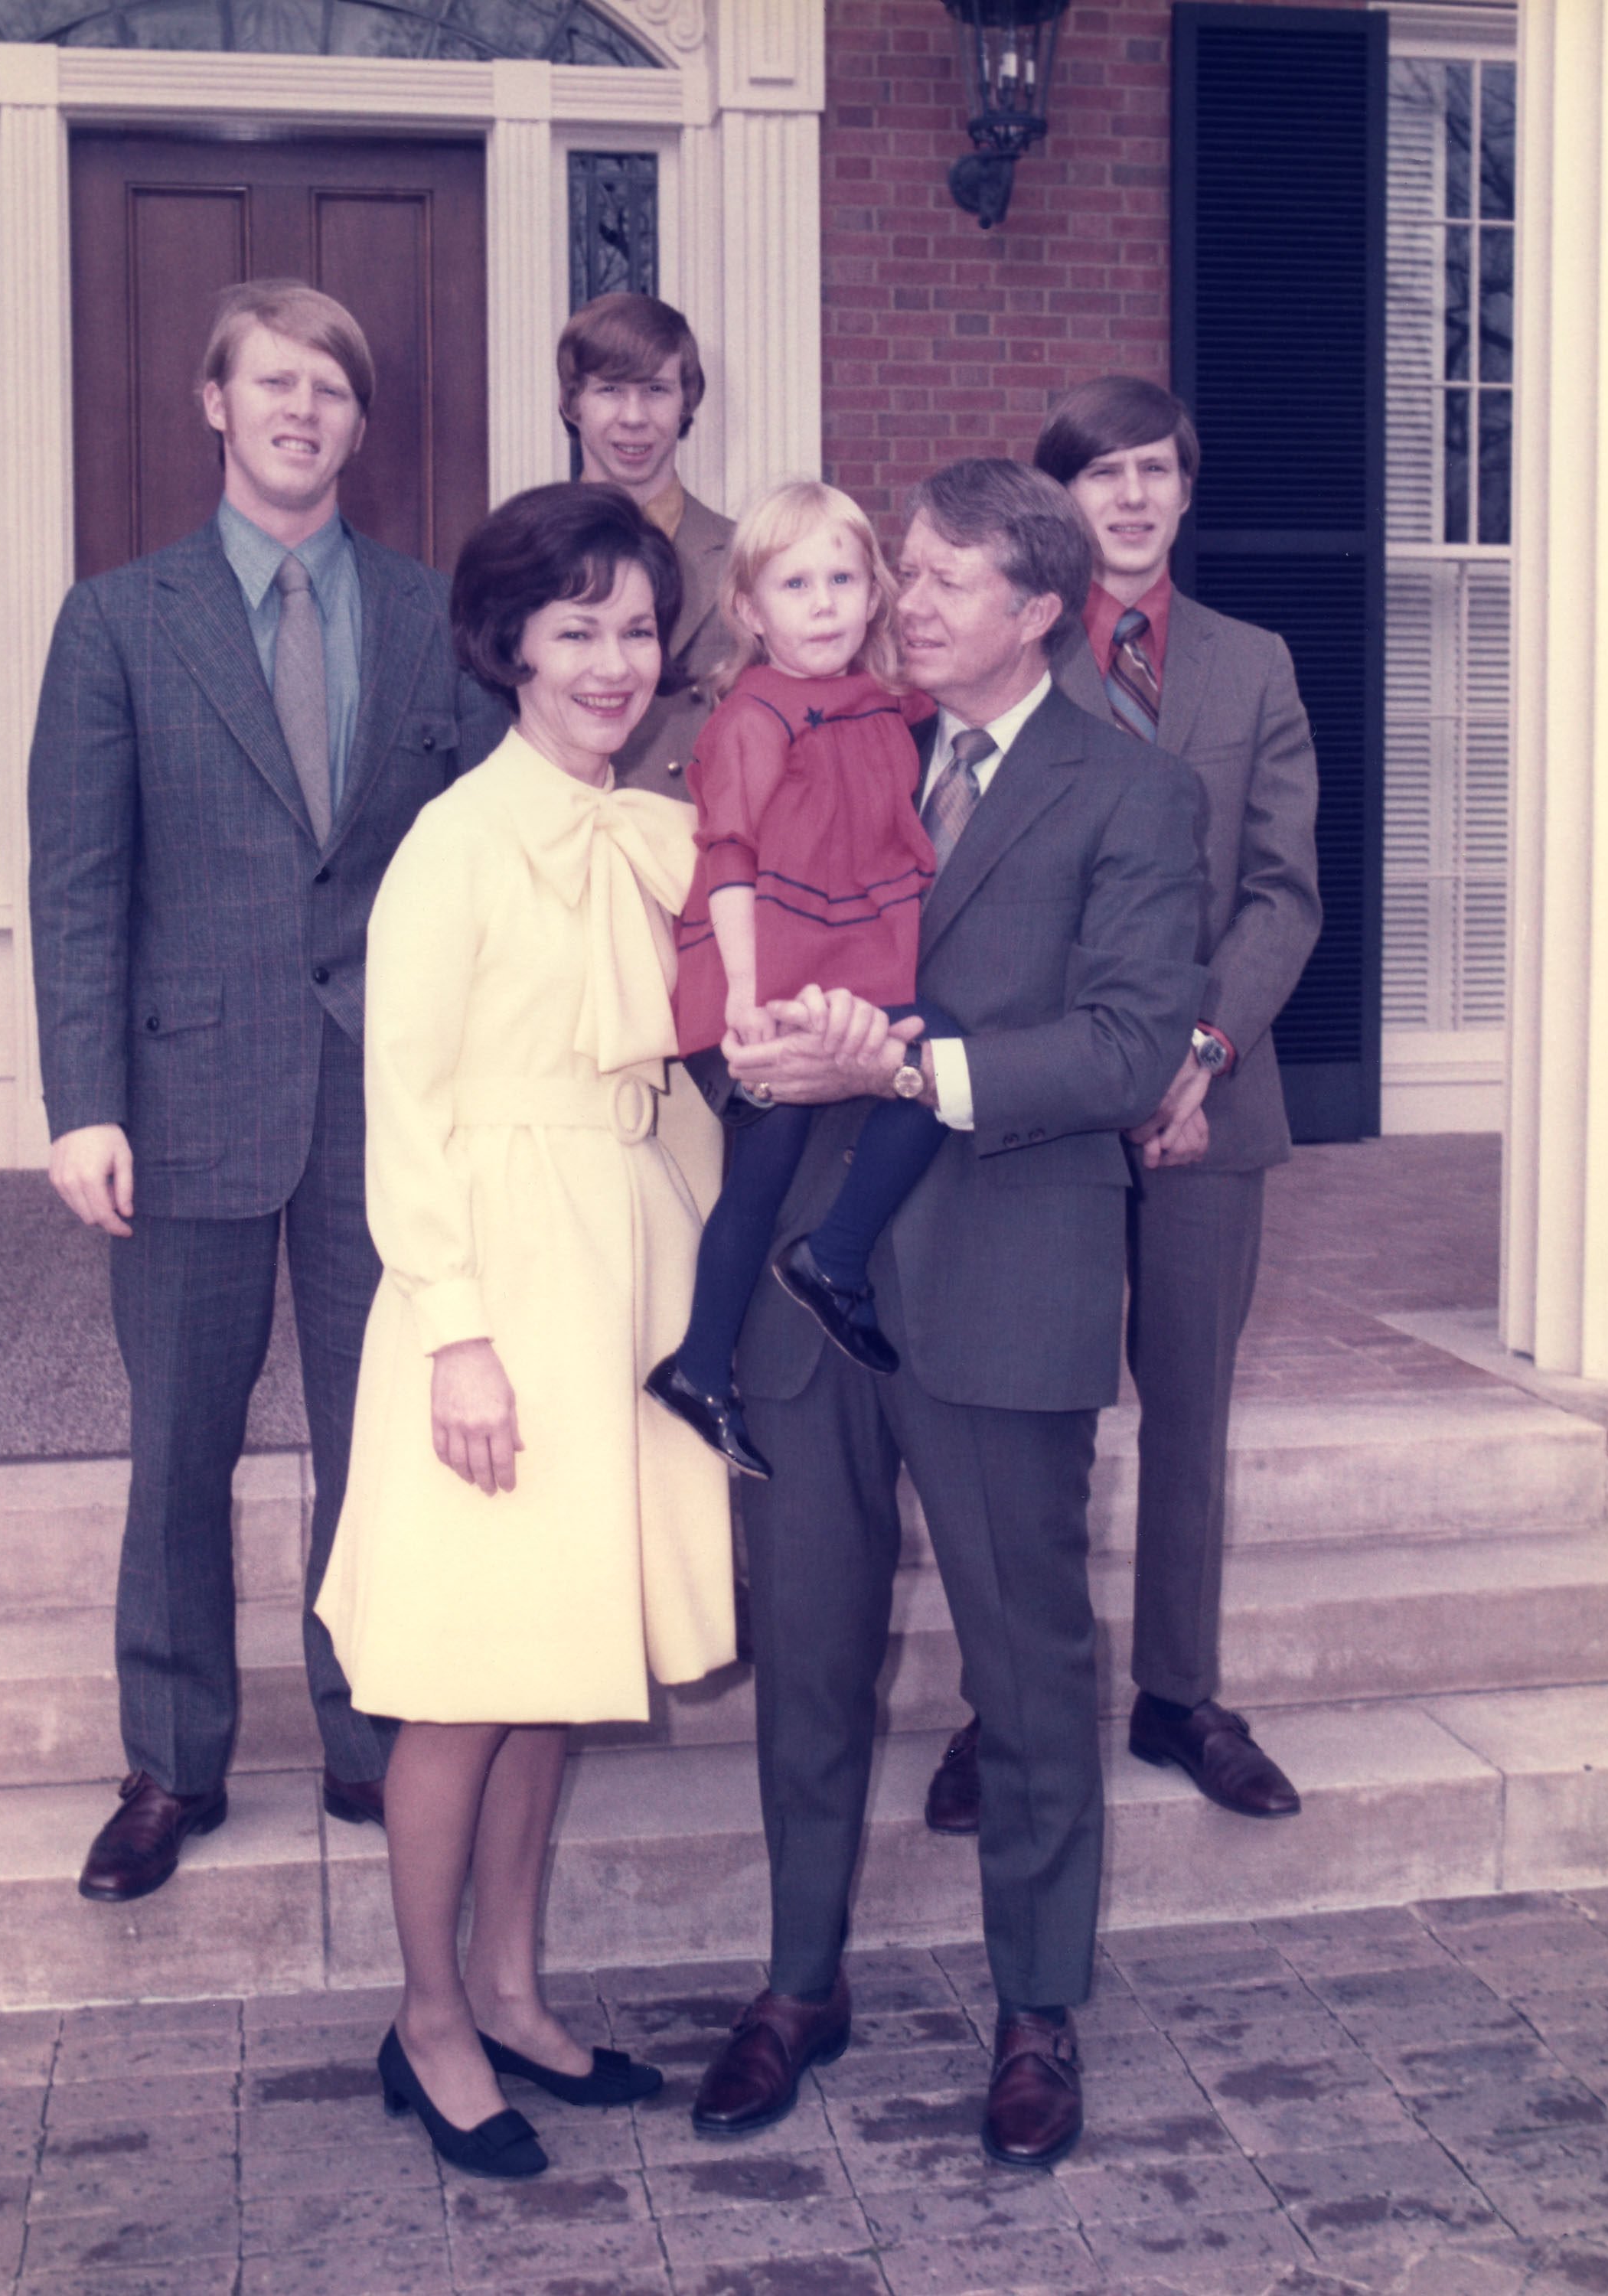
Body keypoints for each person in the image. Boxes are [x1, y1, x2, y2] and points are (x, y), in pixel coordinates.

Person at [691, 459, 1206, 2170]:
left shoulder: (1133, 792)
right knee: (810, 1658)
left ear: (1040, 609)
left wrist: (917, 1061)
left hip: (1005, 1282)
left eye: (944, 582)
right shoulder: (850, 731)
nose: (905, 604)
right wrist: (758, 1043)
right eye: (901, 573)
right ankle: (798, 1984)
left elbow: (1133, 1044)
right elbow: (759, 913)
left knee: (1032, 1669)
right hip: (808, 1287)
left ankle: (1038, 2010)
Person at [28, 280, 504, 1906]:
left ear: (362, 427)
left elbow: (478, 856)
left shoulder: (431, 616)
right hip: (182, 1100)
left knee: (382, 1436)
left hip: (388, 1095)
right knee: (181, 1443)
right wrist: (82, 1100)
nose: (303, 412)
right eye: (274, 383)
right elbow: (82, 884)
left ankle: (373, 1732)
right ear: (214, 404)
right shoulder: (116, 621)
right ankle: (171, 1764)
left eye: (333, 392)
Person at [314, 483, 735, 2182]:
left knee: (548, 1665)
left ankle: (510, 1988)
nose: (615, 662)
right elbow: (403, 1111)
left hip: (612, 1277)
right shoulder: (456, 844)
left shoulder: (646, 829)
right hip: (484, 1286)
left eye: (637, 629)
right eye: (578, 630)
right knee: (456, 1683)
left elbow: (665, 1081)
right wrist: (456, 1337)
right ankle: (425, 2024)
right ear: (510, 647)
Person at [923, 377, 1321, 1839]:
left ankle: (1178, 1694)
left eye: (1157, 471)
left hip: (1213, 1099)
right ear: (1062, 507)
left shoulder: (1254, 664)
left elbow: (1284, 889)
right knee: (1031, 1413)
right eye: (1104, 477)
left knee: (1189, 1415)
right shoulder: (1006, 664)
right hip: (1042, 1100)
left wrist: (1199, 1051)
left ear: (1185, 490)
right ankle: (1002, 1704)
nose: (1135, 498)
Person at [645, 480, 946, 1479]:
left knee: (937, 1060)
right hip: (755, 976)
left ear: (875, 598)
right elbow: (726, 856)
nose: (822, 603)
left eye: (843, 579)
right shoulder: (752, 719)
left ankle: (828, 1262)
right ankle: (709, 1360)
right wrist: (741, 996)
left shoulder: (881, 707)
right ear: (749, 608)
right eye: (796, 582)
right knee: (761, 1176)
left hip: (833, 972)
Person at [556, 292, 734, 797]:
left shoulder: (748, 559)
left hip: (699, 857)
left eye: (656, 389)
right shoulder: (524, 558)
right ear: (572, 403)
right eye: (610, 389)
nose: (634, 417)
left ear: (687, 401)